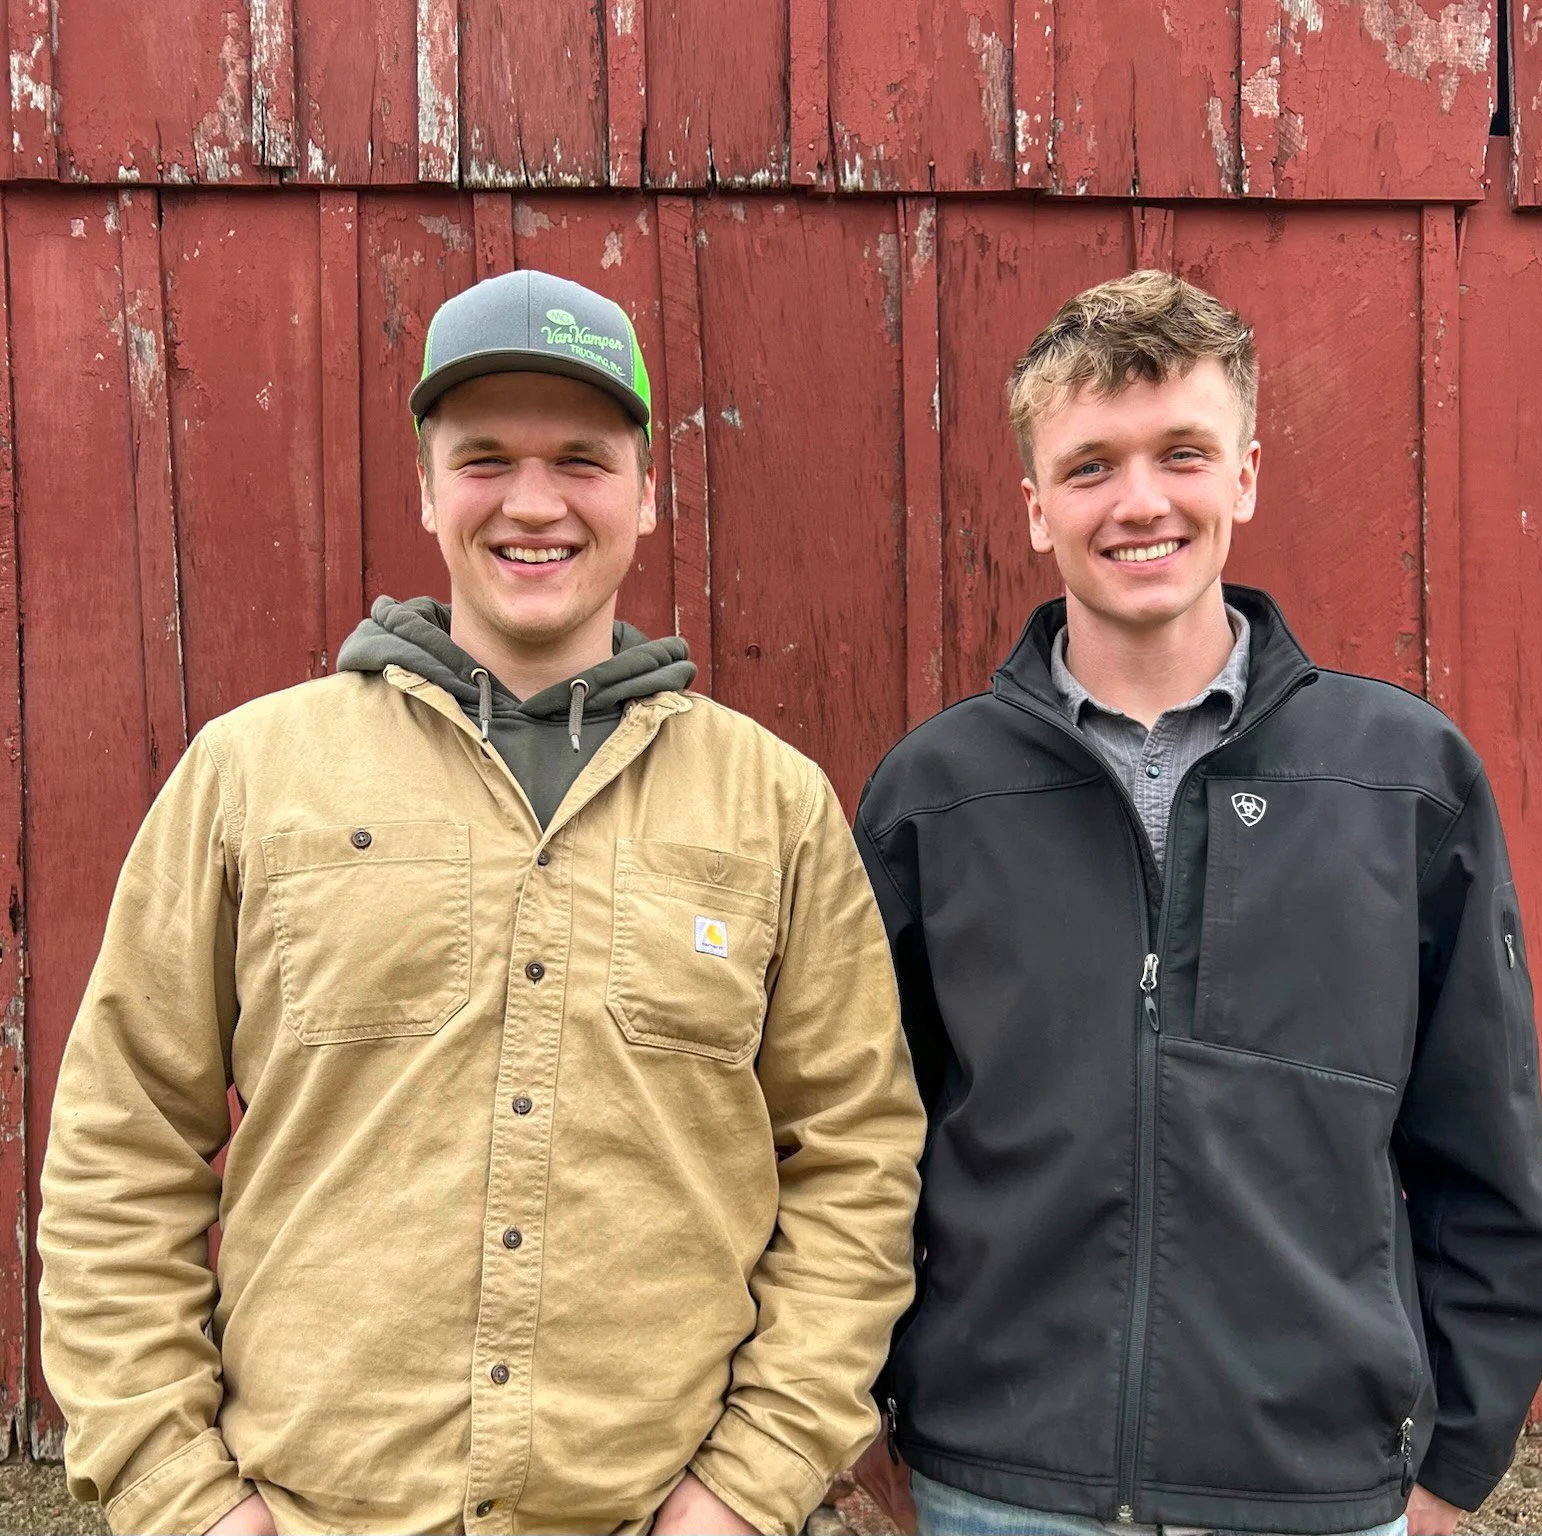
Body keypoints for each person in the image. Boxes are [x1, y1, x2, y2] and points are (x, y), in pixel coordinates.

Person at [37, 269, 924, 1536]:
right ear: (424, 487)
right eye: (485, 459)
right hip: (312, 1510)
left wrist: (749, 1482)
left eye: (581, 460)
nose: (533, 502)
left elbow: (856, 1161)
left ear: (647, 493)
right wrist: (182, 1495)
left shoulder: (771, 804)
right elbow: (120, 1148)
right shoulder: (250, 774)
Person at [853, 271, 1542, 1536]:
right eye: (1090, 466)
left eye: (1180, 453)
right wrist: (876, 1418)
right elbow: (862, 1145)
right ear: (1035, 507)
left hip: (1310, 1489)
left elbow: (1483, 1147)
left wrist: (1449, 1462)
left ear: (1243, 476)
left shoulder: (1402, 782)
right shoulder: (934, 797)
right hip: (1001, 1487)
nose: (1139, 501)